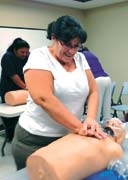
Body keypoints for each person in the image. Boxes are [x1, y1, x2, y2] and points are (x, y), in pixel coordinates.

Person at [11, 15, 107, 170]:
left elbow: (93, 90)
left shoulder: (81, 58)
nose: (72, 51)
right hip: (35, 140)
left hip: (68, 136)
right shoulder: (39, 57)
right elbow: (43, 98)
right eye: (67, 44)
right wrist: (79, 127)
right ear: (54, 38)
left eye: (77, 46)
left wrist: (90, 118)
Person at [26, 118, 126, 180]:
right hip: (42, 156)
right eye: (112, 123)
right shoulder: (86, 131)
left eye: (118, 125)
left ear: (120, 137)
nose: (114, 124)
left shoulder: (113, 148)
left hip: (54, 166)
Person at [0, 37, 29, 141]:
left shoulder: (27, 57)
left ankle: (21, 134)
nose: (25, 54)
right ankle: (11, 137)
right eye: (22, 52)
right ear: (15, 50)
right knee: (10, 116)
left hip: (22, 89)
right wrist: (27, 88)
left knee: (22, 112)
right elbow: (14, 76)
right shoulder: (7, 57)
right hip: (9, 88)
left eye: (26, 52)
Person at [80, 46, 112, 123]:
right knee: (106, 109)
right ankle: (108, 125)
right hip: (107, 79)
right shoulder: (92, 55)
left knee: (95, 107)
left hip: (97, 80)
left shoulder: (80, 56)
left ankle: (95, 126)